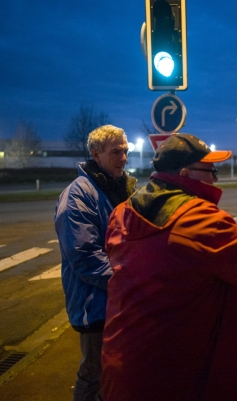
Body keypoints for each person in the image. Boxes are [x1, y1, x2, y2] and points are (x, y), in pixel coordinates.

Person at [101, 133, 237, 401]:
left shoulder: (123, 212)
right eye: (211, 171)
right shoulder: (199, 220)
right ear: (186, 173)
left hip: (122, 369)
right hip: (176, 377)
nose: (215, 179)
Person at [55, 125, 137, 401]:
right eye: (116, 152)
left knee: (117, 372)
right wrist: (131, 282)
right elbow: (86, 258)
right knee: (95, 374)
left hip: (119, 298)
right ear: (95, 154)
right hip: (95, 304)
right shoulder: (78, 196)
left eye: (125, 151)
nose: (123, 158)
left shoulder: (121, 187)